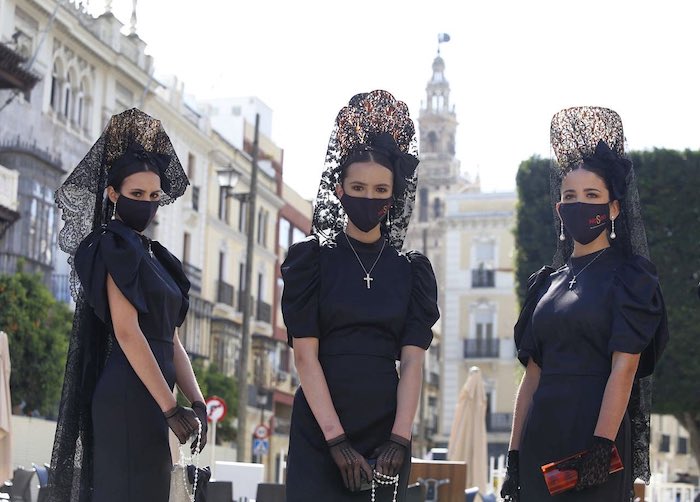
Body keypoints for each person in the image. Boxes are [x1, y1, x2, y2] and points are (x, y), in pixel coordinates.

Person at [500, 107, 669, 502]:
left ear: (613, 208)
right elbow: (531, 379)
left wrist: (600, 445)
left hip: (594, 442)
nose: (579, 204)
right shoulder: (545, 282)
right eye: (569, 197)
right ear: (559, 209)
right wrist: (513, 454)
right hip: (540, 441)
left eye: (592, 196)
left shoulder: (631, 277)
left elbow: (624, 371)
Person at [281, 90, 440, 501]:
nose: (369, 197)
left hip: (386, 432)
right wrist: (336, 441)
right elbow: (304, 356)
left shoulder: (412, 270)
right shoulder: (310, 260)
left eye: (380, 189)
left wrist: (401, 439)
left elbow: (412, 362)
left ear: (393, 195)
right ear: (339, 189)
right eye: (358, 186)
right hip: (320, 428)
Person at [49, 108, 208, 502]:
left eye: (154, 196)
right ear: (113, 194)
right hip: (127, 397)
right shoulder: (112, 245)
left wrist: (198, 399)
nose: (147, 204)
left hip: (156, 400)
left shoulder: (157, 257)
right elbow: (126, 330)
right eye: (136, 195)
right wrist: (173, 408)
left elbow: (170, 339)